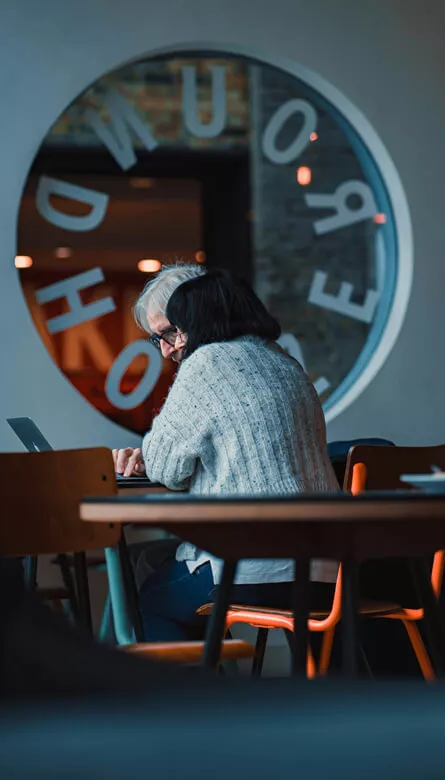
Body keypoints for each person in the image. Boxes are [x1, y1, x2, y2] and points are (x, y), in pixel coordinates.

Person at [114, 266, 340, 642]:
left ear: (195, 313)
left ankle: (192, 695)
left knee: (143, 601)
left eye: (170, 332)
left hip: (252, 565)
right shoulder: (284, 361)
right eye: (158, 340)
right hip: (328, 569)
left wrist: (146, 455)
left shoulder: (205, 365)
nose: (169, 349)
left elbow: (166, 468)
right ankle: (217, 676)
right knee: (153, 561)